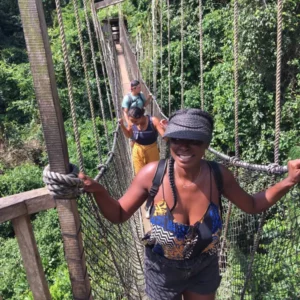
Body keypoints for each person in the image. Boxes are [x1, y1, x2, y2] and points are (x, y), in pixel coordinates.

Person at [79, 108, 300, 300]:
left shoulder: (218, 176)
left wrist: (288, 181)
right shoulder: (152, 175)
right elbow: (118, 214)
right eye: (177, 139)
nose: (184, 147)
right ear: (168, 139)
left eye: (194, 140)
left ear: (206, 144)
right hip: (162, 271)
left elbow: (252, 205)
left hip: (204, 268)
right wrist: (99, 191)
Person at [118, 106, 165, 175]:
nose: (133, 123)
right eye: (131, 121)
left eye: (135, 121)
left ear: (141, 116)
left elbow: (165, 137)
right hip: (137, 150)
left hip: (152, 150)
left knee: (154, 173)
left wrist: (165, 128)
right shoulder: (132, 123)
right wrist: (122, 125)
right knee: (139, 174)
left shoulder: (153, 121)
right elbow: (128, 135)